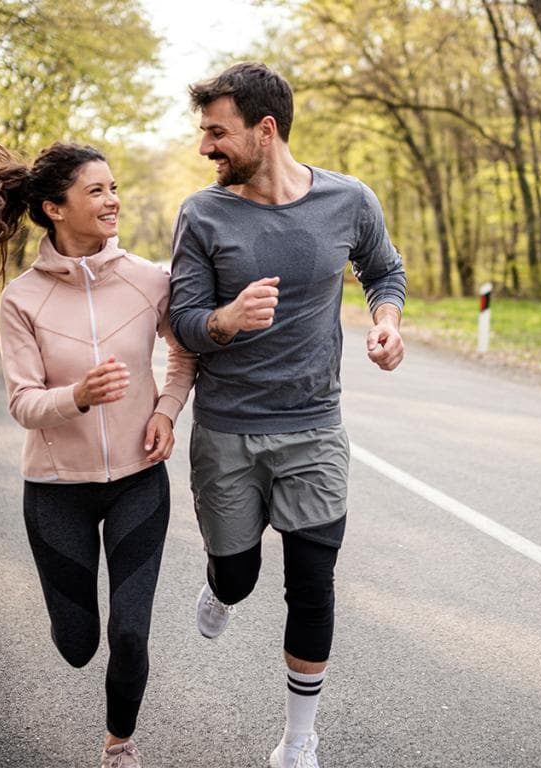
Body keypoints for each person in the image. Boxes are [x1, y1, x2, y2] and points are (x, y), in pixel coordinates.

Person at [0, 136, 196, 768]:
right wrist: (78, 396)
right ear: (52, 208)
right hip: (55, 490)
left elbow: (183, 355)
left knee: (129, 630)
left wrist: (165, 411)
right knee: (77, 645)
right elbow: (23, 404)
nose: (113, 200)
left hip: (137, 480)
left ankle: (119, 745)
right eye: (97, 190)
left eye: (114, 187)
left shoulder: (151, 280)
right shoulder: (23, 299)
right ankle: (72, 628)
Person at [168, 62, 406, 768]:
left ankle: (299, 738)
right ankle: (220, 587)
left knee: (312, 581)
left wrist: (386, 322)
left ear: (264, 130)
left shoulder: (348, 200)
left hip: (313, 425)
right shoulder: (201, 214)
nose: (206, 146)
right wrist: (226, 321)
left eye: (217, 132)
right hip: (228, 429)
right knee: (239, 575)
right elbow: (180, 322)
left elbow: (382, 270)